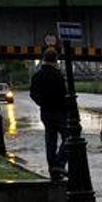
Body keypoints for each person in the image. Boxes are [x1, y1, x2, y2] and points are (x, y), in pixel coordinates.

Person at [29, 48, 69, 181]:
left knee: (50, 140)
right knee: (69, 138)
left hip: (45, 112)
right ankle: (59, 163)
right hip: (59, 111)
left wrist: (42, 103)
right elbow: (64, 95)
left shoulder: (37, 76)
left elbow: (32, 94)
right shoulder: (58, 75)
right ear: (55, 60)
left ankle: (52, 169)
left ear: (44, 59)